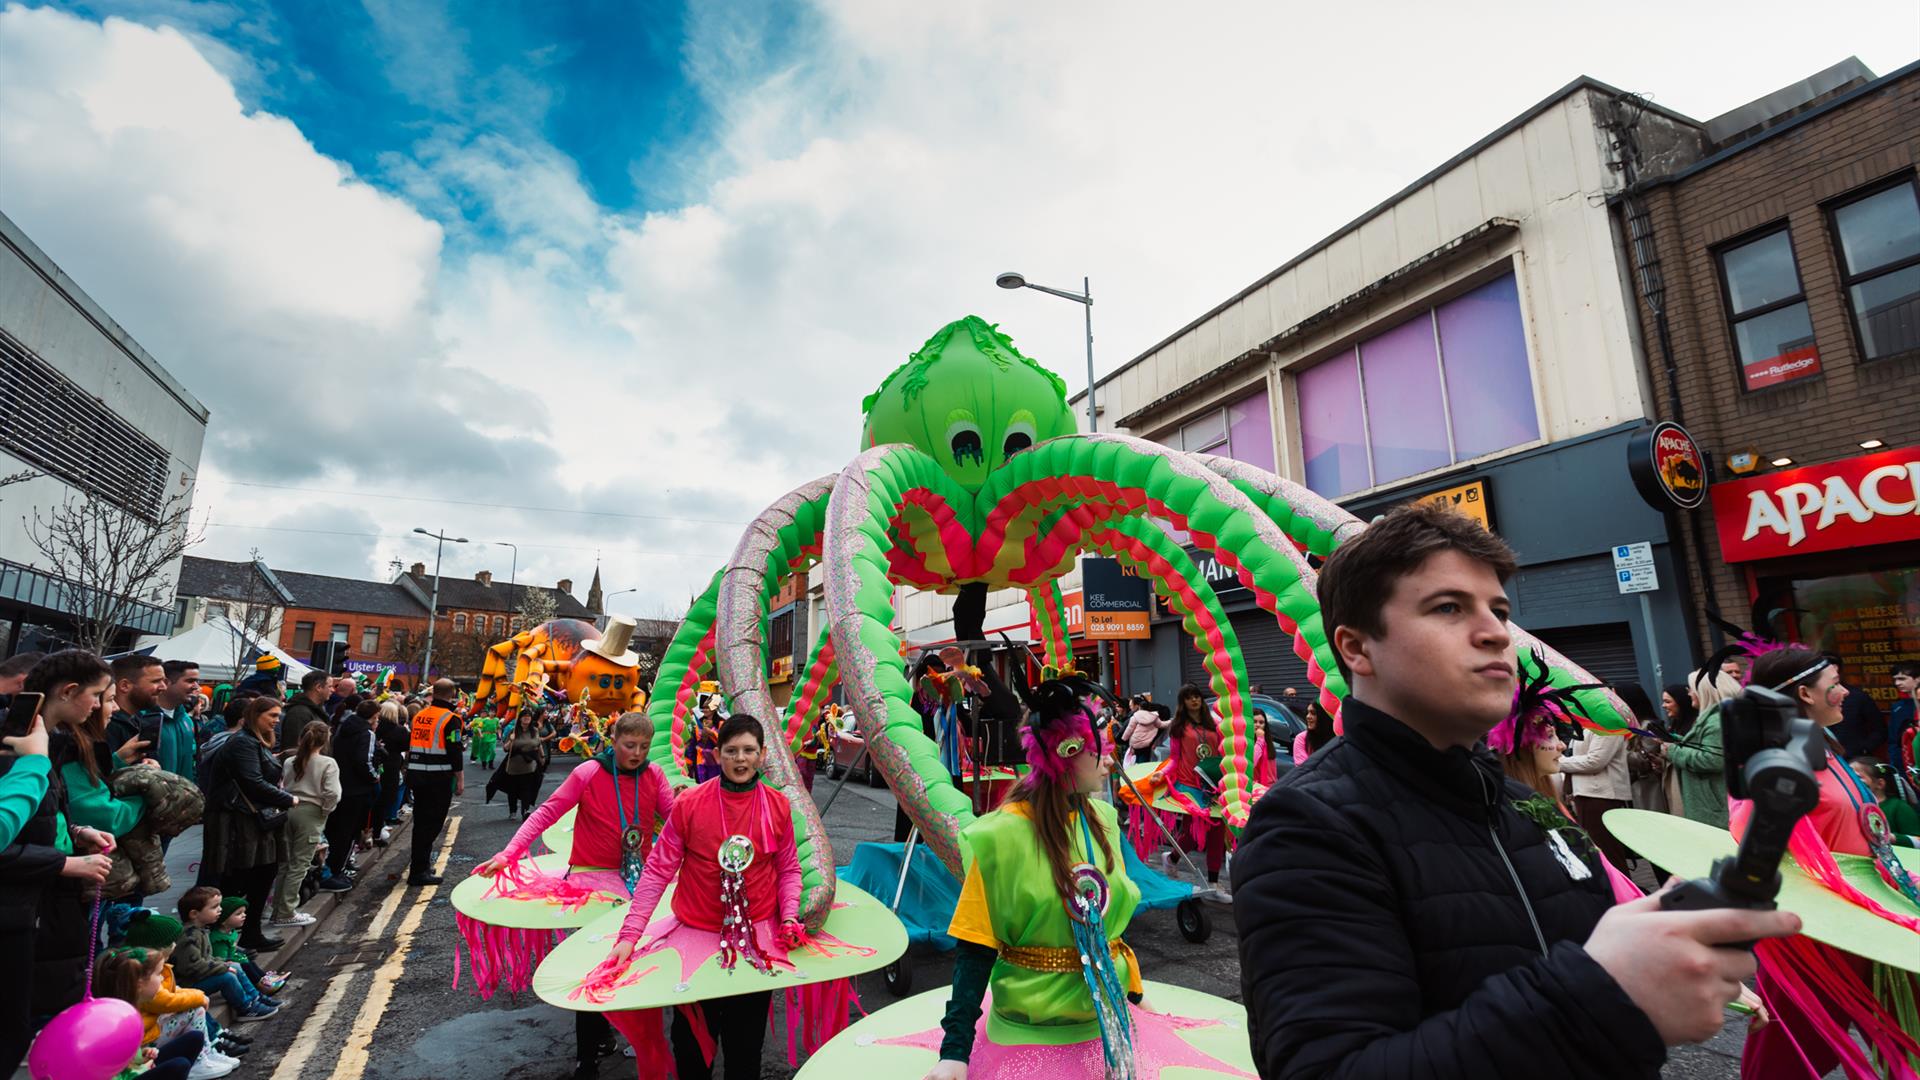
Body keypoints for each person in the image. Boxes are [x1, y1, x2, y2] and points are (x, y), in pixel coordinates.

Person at [1231, 503, 1798, 1077]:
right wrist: (1601, 992)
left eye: (1499, 610)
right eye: (1448, 607)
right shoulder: (1307, 825)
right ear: (1356, 649)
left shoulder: (1529, 807)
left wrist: (1660, 929)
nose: (1496, 633)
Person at [924, 676, 1141, 1080]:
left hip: (1106, 1030)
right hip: (1027, 1036)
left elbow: (1105, 925)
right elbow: (975, 949)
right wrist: (955, 1050)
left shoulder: (1105, 821)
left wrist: (1130, 988)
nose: (1110, 759)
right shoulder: (1001, 836)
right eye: (1099, 750)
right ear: (1066, 754)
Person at [473, 711, 675, 1079]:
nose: (638, 754)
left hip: (634, 880)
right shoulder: (589, 772)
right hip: (590, 882)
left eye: (644, 747)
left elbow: (677, 822)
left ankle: (625, 1032)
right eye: (630, 745)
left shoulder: (654, 775)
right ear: (614, 741)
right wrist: (509, 854)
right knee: (592, 965)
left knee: (633, 961)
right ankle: (588, 1057)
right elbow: (546, 814)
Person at [604, 714, 802, 1080]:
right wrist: (629, 936)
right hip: (694, 942)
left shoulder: (778, 805)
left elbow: (789, 868)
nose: (740, 760)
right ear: (717, 754)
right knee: (693, 1051)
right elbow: (658, 871)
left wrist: (789, 916)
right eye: (731, 751)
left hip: (754, 945)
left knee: (745, 1053)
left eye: (749, 751)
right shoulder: (690, 804)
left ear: (761, 755)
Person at [1, 683, 112, 1076]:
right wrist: (65, 865)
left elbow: (48, 818)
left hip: (36, 907)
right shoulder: (26, 756)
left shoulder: (51, 748)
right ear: (67, 691)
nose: (103, 706)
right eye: (101, 694)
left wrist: (77, 832)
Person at [199, 697, 296, 954]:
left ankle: (249, 933)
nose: (277, 721)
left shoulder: (253, 742)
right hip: (238, 823)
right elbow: (252, 781)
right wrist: (289, 799)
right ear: (255, 715)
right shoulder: (243, 742)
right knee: (239, 879)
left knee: (261, 876)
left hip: (253, 821)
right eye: (272, 716)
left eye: (278, 716)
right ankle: (229, 940)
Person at [92, 946, 224, 1079]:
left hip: (139, 1067)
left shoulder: (131, 1010)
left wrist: (142, 1055)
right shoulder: (115, 1023)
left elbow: (130, 1056)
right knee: (179, 1065)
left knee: (195, 1038)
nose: (162, 979)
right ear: (139, 984)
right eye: (158, 974)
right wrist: (141, 1068)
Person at [1557, 684, 1635, 871]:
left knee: (1608, 853)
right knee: (1598, 852)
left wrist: (1556, 762)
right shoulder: (1589, 724)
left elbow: (1595, 761)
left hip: (1602, 796)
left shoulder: (1608, 723)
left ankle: (1624, 894)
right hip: (1587, 795)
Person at [173, 885, 280, 1018]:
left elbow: (208, 958)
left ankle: (256, 998)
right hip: (188, 985)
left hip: (196, 978)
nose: (220, 910)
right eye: (214, 907)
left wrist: (225, 963)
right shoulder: (189, 937)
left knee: (235, 964)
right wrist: (223, 966)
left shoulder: (199, 931)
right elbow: (193, 967)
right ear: (194, 914)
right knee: (227, 977)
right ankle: (245, 1008)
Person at [272, 720, 338, 927]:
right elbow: (333, 793)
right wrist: (325, 810)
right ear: (325, 739)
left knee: (285, 864)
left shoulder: (290, 760)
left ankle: (278, 910)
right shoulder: (328, 763)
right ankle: (287, 911)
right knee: (299, 864)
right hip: (311, 813)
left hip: (288, 810)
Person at [1164, 683, 1227, 890]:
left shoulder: (1214, 724)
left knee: (1217, 832)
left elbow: (1222, 753)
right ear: (1183, 702)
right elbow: (1174, 758)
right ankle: (1172, 858)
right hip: (1189, 786)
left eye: (1197, 696)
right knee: (1192, 833)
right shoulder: (1178, 727)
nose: (1194, 700)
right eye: (1189, 697)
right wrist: (1161, 774)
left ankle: (1213, 883)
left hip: (1212, 785)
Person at [1661, 668, 1739, 828]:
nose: (1688, 693)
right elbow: (1710, 749)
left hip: (1715, 806)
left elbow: (1713, 759)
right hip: (1713, 803)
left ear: (1703, 691)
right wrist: (1678, 742)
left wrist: (1672, 751)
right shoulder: (1714, 718)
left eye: (1691, 688)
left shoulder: (1716, 721)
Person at [405, 679, 465, 887]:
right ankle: (418, 872)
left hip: (417, 776)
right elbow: (455, 751)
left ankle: (420, 865)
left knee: (421, 823)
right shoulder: (451, 718)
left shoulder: (420, 715)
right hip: (438, 779)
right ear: (452, 694)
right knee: (431, 825)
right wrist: (460, 779)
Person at [323, 701, 379, 891]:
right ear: (372, 717)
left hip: (341, 785)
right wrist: (374, 777)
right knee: (349, 832)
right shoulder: (367, 734)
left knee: (336, 830)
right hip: (358, 790)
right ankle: (337, 870)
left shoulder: (343, 728)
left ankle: (333, 867)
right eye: (377, 718)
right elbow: (364, 761)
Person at [279, 672, 330, 755]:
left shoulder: (316, 711)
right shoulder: (299, 713)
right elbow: (293, 746)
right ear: (318, 687)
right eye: (330, 686)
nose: (332, 690)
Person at [1889, 662, 1917, 797]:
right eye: (1895, 679)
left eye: (1902, 678)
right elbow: (1894, 739)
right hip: (1904, 766)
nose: (1897, 683)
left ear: (1917, 678)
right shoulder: (1898, 707)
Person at [1119, 695, 1168, 769]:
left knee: (1136, 764)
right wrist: (1172, 721)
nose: (1130, 708)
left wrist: (1124, 738)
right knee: (1142, 765)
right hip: (1146, 747)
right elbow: (1162, 724)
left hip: (1136, 745)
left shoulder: (1134, 717)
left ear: (1139, 707)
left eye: (1131, 706)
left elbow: (1129, 729)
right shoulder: (1154, 718)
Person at [1290, 700, 1334, 764]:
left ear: (1323, 716)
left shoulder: (1336, 738)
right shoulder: (1302, 738)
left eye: (1313, 713)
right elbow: (1304, 767)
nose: (1308, 716)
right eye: (1307, 712)